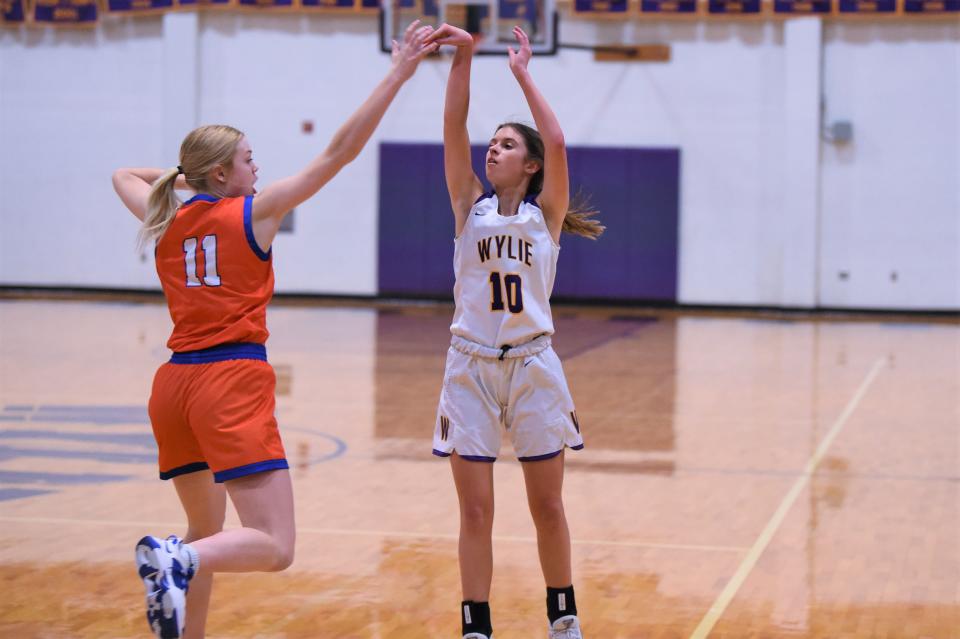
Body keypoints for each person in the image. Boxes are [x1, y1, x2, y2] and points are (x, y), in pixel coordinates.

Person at [111, 22, 437, 639]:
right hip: (230, 380)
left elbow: (124, 173)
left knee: (209, 533)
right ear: (220, 174)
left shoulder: (166, 218)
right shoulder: (254, 213)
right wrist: (398, 73)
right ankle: (177, 559)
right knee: (274, 544)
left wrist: (183, 181)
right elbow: (339, 152)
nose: (257, 166)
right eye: (246, 159)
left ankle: (184, 592)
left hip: (174, 388)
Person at [425, 23, 603, 639]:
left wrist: (524, 74)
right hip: (469, 365)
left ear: (528, 166)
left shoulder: (544, 216)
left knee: (546, 506)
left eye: (505, 145)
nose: (490, 150)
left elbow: (555, 140)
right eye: (491, 143)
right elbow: (453, 127)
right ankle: (477, 626)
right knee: (475, 510)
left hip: (532, 365)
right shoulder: (466, 205)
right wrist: (465, 57)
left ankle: (563, 618)